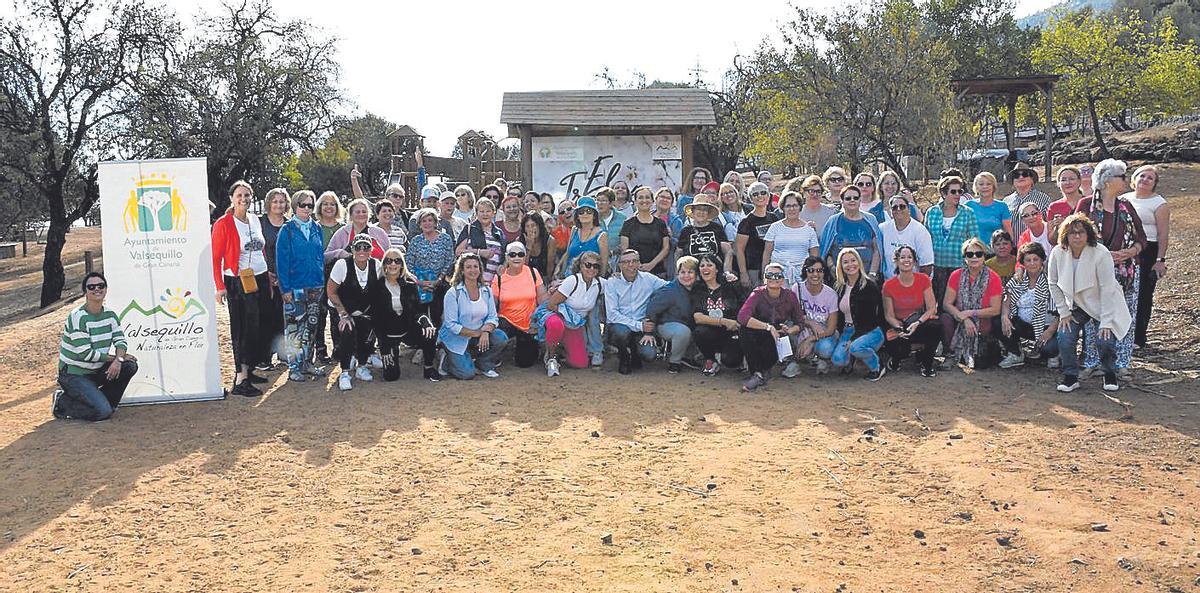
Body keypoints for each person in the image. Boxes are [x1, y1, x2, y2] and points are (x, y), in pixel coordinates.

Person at [1076, 158, 1145, 381]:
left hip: (1126, 271)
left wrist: (1130, 252)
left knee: (1125, 316)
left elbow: (1141, 238)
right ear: (1107, 181)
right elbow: (1075, 236)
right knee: (1093, 316)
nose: (1126, 181)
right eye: (1122, 177)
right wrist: (1103, 256)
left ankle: (1121, 363)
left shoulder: (1126, 206)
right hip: (1095, 271)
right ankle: (1091, 361)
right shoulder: (1086, 206)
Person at [1049, 214, 1130, 392]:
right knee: (1065, 336)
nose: (1077, 237)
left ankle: (1109, 373)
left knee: (1105, 340)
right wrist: (1064, 312)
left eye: (1081, 232)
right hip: (1076, 305)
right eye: (1072, 233)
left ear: (1088, 234)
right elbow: (1053, 283)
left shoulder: (1101, 253)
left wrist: (1107, 321)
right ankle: (1071, 376)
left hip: (1102, 303)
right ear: (1065, 235)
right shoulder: (1058, 252)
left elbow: (1107, 288)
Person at [212, 180, 271, 396]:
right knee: (242, 329)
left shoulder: (254, 220)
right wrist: (220, 286)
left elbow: (259, 250)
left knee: (258, 326)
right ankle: (240, 378)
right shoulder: (224, 223)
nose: (244, 199)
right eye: (239, 195)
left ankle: (250, 368)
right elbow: (216, 257)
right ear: (231, 198)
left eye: (247, 195)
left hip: (259, 278)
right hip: (237, 281)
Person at [54, 272, 139, 421]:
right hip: (73, 374)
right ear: (85, 291)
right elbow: (85, 354)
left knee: (129, 365)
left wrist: (119, 360)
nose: (97, 289)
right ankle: (62, 403)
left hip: (95, 370)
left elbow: (120, 341)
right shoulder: (77, 317)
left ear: (106, 289)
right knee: (102, 413)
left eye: (101, 285)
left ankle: (106, 403)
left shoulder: (110, 315)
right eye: (91, 286)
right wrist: (118, 358)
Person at [275, 190, 328, 383]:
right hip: (294, 288)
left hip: (315, 286)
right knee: (294, 330)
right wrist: (285, 289)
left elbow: (319, 256)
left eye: (310, 205)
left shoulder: (316, 228)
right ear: (295, 206)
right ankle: (294, 367)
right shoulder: (287, 230)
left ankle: (307, 362)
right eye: (303, 205)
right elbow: (282, 261)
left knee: (311, 328)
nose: (306, 209)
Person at [438, 253, 509, 379]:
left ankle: (484, 364)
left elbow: (493, 317)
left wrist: (486, 332)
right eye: (468, 267)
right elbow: (451, 325)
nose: (473, 270)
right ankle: (446, 360)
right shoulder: (453, 293)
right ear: (462, 270)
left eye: (476, 266)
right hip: (456, 338)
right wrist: (477, 333)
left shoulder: (486, 290)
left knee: (501, 338)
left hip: (480, 334)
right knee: (467, 374)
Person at [373, 247, 440, 382]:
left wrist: (425, 322)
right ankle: (392, 353)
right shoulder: (377, 286)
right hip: (388, 335)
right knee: (391, 376)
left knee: (430, 331)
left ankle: (428, 367)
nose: (393, 264)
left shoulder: (410, 285)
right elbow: (376, 318)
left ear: (402, 264)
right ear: (384, 264)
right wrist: (383, 346)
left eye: (397, 261)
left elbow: (417, 310)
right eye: (389, 261)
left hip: (408, 330)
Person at [738, 262, 807, 391]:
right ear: (765, 278)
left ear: (782, 279)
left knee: (774, 343)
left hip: (779, 334)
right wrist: (768, 327)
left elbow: (800, 322)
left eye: (777, 275)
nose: (774, 278)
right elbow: (742, 317)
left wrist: (790, 330)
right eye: (770, 275)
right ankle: (757, 373)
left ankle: (763, 370)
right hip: (760, 330)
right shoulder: (758, 293)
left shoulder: (790, 296)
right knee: (745, 330)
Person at [326, 234, 381, 391]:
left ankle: (362, 365)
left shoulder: (376, 265)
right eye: (358, 247)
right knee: (347, 330)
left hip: (364, 310)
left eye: (366, 247)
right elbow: (331, 291)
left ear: (371, 250)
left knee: (367, 332)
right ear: (352, 249)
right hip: (344, 309)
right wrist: (343, 314)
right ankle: (344, 372)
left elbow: (378, 291)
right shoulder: (342, 265)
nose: (362, 251)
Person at [1124, 164, 1170, 349]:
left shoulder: (1159, 203)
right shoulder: (1123, 199)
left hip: (1149, 250)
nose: (1145, 180)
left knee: (1143, 294)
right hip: (1125, 248)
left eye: (1150, 178)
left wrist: (1160, 260)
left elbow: (1163, 234)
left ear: (1154, 183)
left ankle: (1138, 338)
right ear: (1134, 179)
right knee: (1124, 293)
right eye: (1142, 176)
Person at [941, 237, 1003, 369]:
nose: (974, 257)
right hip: (960, 321)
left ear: (984, 257)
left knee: (981, 365)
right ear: (964, 257)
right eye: (970, 254)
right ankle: (950, 354)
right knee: (945, 318)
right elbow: (947, 304)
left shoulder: (993, 278)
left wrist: (970, 313)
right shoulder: (956, 275)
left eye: (978, 254)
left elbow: (996, 309)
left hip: (983, 325)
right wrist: (964, 319)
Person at [603, 249, 668, 374]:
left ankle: (635, 352)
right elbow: (612, 315)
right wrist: (640, 326)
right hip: (620, 326)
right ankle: (623, 356)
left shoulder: (648, 279)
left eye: (634, 261)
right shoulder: (612, 283)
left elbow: (669, 287)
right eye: (626, 262)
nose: (631, 265)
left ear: (639, 263)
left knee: (649, 355)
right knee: (621, 332)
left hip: (642, 328)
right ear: (620, 265)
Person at [540, 251, 603, 376]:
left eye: (596, 266)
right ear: (580, 265)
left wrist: (618, 275)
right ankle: (551, 357)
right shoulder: (572, 281)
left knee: (580, 363)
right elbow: (551, 304)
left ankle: (561, 348)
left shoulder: (600, 284)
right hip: (558, 316)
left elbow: (615, 284)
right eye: (588, 265)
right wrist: (567, 316)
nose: (591, 269)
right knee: (556, 325)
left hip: (574, 324)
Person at [997, 242, 1059, 370]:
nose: (1032, 263)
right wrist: (1004, 316)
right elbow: (1006, 298)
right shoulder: (1018, 280)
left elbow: (1061, 312)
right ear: (1023, 263)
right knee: (997, 322)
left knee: (1049, 349)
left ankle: (1054, 353)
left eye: (1035, 259)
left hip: (1047, 328)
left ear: (1042, 261)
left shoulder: (1051, 281)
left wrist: (1050, 331)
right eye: (1028, 260)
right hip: (1023, 325)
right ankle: (1015, 353)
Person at [882, 246, 941, 377]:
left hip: (918, 322)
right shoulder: (888, 285)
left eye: (909, 257)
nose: (906, 260)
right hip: (899, 324)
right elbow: (889, 315)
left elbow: (932, 308)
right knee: (896, 346)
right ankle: (897, 358)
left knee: (936, 326)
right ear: (896, 261)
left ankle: (927, 364)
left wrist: (918, 323)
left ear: (914, 261)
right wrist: (900, 329)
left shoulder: (923, 279)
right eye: (902, 257)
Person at [830, 249, 887, 381]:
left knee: (856, 347)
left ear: (859, 262)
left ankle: (877, 366)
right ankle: (853, 359)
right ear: (841, 266)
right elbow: (839, 315)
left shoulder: (869, 286)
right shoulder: (839, 286)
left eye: (853, 260)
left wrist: (854, 338)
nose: (850, 265)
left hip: (871, 331)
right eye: (845, 262)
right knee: (838, 360)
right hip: (847, 330)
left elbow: (871, 319)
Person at [924, 175, 980, 308]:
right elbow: (926, 239)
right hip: (937, 266)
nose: (957, 195)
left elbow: (974, 240)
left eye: (960, 191)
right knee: (939, 304)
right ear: (943, 193)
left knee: (959, 304)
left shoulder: (968, 213)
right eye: (953, 191)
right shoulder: (931, 212)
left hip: (959, 266)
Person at [492, 241, 548, 368]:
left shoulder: (533, 273)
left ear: (524, 257)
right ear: (506, 257)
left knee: (525, 362)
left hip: (529, 323)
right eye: (512, 254)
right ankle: (495, 354)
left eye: (520, 254)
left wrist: (538, 322)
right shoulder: (499, 277)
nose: (516, 257)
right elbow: (492, 305)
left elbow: (543, 300)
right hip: (506, 322)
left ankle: (532, 347)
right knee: (498, 333)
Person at [691, 254, 746, 376]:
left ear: (717, 269)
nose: (705, 268)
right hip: (712, 330)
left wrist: (737, 323)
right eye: (702, 266)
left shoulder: (731, 285)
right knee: (699, 332)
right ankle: (710, 359)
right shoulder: (698, 289)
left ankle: (739, 356)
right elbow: (698, 317)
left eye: (710, 265)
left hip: (733, 330)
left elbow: (745, 306)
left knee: (731, 362)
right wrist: (724, 321)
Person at [819, 185, 887, 280]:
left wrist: (872, 274)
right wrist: (833, 269)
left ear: (860, 200)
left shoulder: (871, 219)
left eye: (856, 198)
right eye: (848, 198)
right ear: (842, 201)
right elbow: (826, 250)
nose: (852, 200)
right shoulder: (833, 221)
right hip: (839, 278)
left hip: (867, 276)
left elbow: (877, 249)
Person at [646, 256, 701, 373]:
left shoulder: (699, 289)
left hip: (689, 324)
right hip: (666, 325)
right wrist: (649, 332)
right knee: (682, 331)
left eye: (690, 272)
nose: (686, 276)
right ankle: (675, 362)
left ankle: (691, 356)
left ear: (697, 274)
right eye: (682, 272)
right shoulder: (669, 291)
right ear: (677, 274)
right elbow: (651, 309)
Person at [761, 190, 821, 286]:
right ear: (783, 208)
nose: (791, 209)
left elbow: (814, 257)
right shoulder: (774, 227)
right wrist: (764, 274)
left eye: (795, 205)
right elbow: (767, 253)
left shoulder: (809, 229)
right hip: (777, 275)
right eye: (788, 206)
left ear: (800, 207)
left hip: (802, 275)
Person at [259, 187, 290, 369]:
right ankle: (264, 357)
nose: (278, 204)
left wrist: (282, 277)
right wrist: (266, 273)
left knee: (283, 318)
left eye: (281, 201)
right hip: (263, 277)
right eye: (275, 201)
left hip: (285, 279)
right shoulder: (259, 223)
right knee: (265, 318)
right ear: (269, 203)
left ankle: (283, 356)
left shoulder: (290, 224)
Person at [313, 190, 345, 364]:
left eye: (332, 204)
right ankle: (320, 350)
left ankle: (338, 349)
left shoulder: (343, 227)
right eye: (325, 203)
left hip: (338, 274)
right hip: (319, 273)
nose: (329, 207)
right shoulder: (314, 227)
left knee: (335, 311)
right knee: (319, 313)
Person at [793, 256, 839, 375]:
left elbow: (831, 329)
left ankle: (820, 359)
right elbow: (793, 316)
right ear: (805, 272)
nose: (815, 274)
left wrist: (810, 340)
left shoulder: (831, 294)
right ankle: (792, 362)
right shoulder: (797, 288)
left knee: (825, 348)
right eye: (811, 270)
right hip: (803, 328)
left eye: (819, 270)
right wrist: (811, 323)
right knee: (788, 332)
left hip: (823, 332)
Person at [735, 180, 782, 288]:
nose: (759, 196)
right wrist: (743, 273)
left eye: (763, 193)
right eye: (755, 194)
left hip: (774, 266)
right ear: (751, 199)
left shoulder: (774, 218)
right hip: (754, 269)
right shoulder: (746, 222)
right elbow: (739, 250)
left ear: (768, 195)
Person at [620, 185, 671, 277]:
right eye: (640, 198)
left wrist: (651, 264)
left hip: (658, 272)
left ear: (652, 201)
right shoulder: (628, 224)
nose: (644, 200)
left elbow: (666, 248)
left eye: (647, 197)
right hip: (634, 272)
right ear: (635, 202)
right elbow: (625, 249)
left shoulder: (660, 224)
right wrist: (636, 265)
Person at [879, 195, 934, 278]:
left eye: (902, 207)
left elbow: (927, 265)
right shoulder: (883, 229)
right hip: (889, 283)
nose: (898, 209)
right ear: (890, 211)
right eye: (894, 207)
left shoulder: (920, 231)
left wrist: (917, 284)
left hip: (914, 282)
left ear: (908, 209)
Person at [456, 196, 505, 284]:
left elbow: (503, 256)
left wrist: (502, 265)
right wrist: (479, 252)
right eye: (481, 211)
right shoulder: (469, 229)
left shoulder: (499, 232)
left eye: (488, 211)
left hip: (494, 283)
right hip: (473, 281)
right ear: (476, 213)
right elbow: (458, 252)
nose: (485, 214)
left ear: (493, 213)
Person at [557, 196, 609, 280]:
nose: (585, 214)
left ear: (594, 215)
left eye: (589, 211)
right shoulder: (574, 230)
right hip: (569, 278)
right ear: (577, 215)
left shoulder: (602, 235)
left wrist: (598, 285)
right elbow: (568, 254)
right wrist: (561, 274)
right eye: (581, 212)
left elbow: (604, 264)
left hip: (590, 280)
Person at [677, 194, 732, 272]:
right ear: (692, 211)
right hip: (693, 273)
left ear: (708, 212)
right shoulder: (686, 231)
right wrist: (678, 273)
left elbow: (728, 251)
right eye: (698, 209)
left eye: (705, 209)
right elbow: (679, 253)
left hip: (714, 272)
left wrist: (727, 272)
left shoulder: (717, 228)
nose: (701, 212)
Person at [325, 197, 390, 263]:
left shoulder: (379, 233)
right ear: (351, 215)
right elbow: (326, 256)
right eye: (357, 212)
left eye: (364, 212)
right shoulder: (342, 233)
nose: (361, 214)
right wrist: (340, 253)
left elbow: (390, 255)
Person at [1004, 162, 1052, 240]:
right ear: (1013, 181)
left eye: (1025, 174)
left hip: (1036, 246)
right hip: (1012, 247)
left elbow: (1049, 224)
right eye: (1016, 175)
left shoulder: (1044, 198)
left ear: (1032, 180)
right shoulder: (1006, 201)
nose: (1021, 177)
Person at [967, 172, 1012, 253]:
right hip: (974, 253)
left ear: (993, 187)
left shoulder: (1002, 206)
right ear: (976, 187)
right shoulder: (969, 205)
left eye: (988, 184)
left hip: (996, 252)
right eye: (981, 184)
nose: (985, 187)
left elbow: (1008, 231)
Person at [1047, 165, 1085, 240]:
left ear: (1079, 181)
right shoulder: (1053, 207)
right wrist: (1057, 228)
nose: (1068, 182)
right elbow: (1051, 240)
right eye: (1063, 180)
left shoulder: (1088, 202)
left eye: (1072, 179)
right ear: (1058, 183)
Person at [593, 187, 626, 270]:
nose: (599, 203)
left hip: (617, 262)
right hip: (596, 261)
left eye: (603, 200)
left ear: (611, 203)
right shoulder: (593, 219)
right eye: (597, 200)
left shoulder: (622, 218)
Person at [520, 211, 557, 279]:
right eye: (527, 226)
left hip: (544, 277)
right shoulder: (519, 241)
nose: (530, 229)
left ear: (539, 226)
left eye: (533, 225)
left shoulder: (550, 241)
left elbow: (550, 267)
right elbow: (521, 268)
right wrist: (528, 247)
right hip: (525, 278)